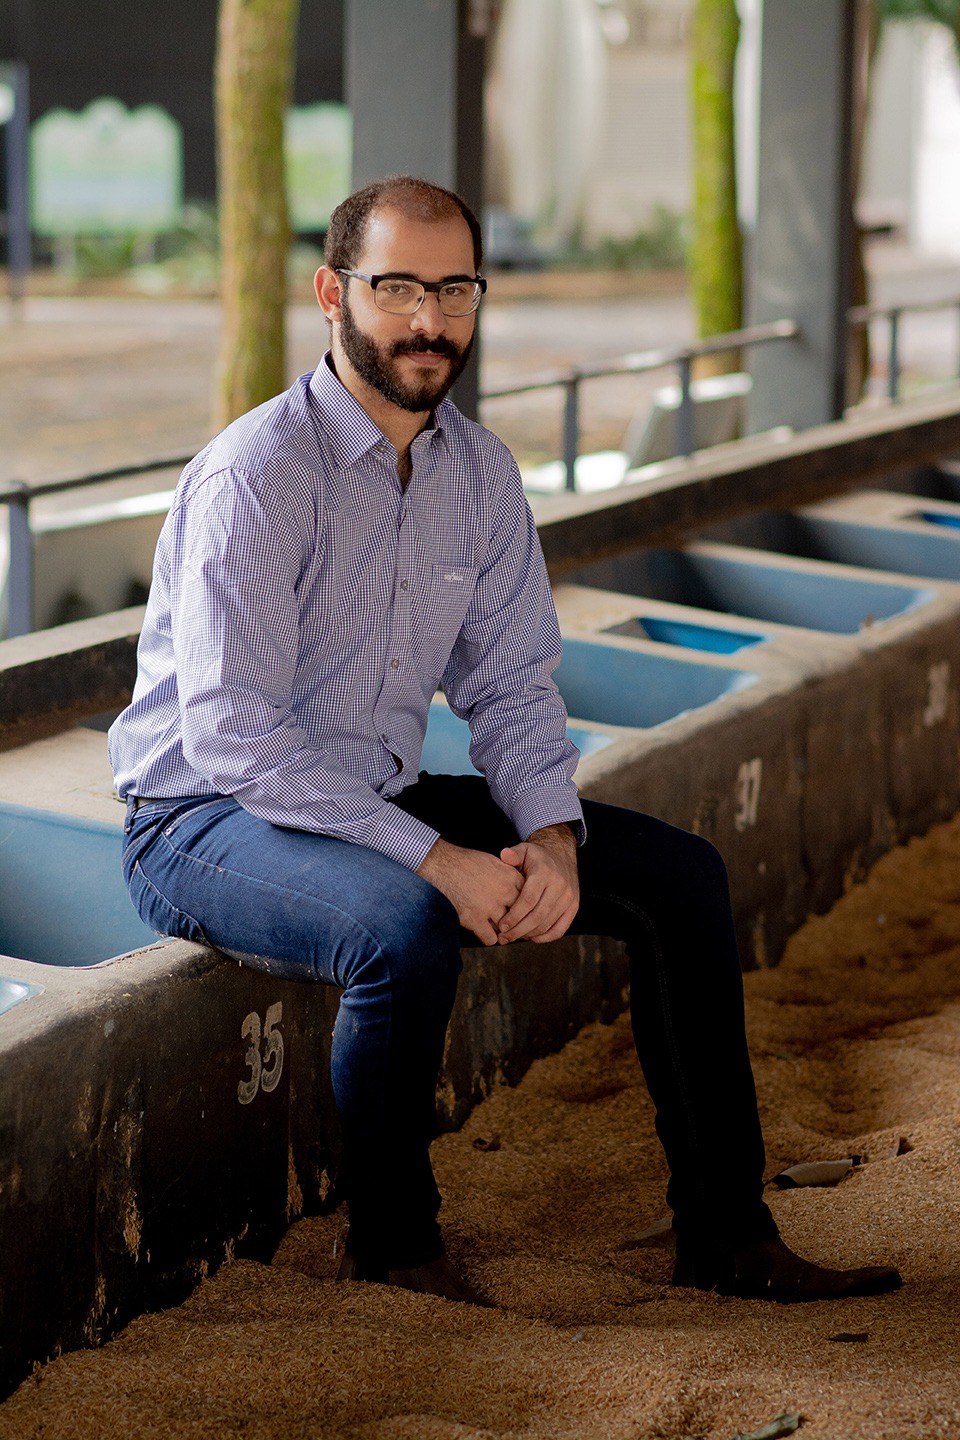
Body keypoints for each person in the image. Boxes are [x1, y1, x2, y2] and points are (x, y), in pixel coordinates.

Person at [110, 175, 900, 1306]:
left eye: (454, 289)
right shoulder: (257, 476)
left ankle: (726, 1235)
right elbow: (234, 735)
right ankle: (392, 1243)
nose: (429, 320)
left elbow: (514, 685)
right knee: (400, 927)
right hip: (203, 817)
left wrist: (552, 835)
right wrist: (434, 857)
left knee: (681, 881)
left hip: (360, 791)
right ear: (332, 294)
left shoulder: (477, 475)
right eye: (397, 288)